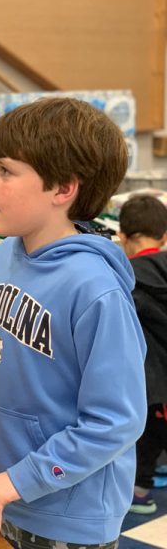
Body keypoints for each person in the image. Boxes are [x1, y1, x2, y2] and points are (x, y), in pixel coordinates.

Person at [0, 97, 147, 548]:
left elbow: (116, 421)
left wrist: (20, 479)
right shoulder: (4, 256)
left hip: (67, 515)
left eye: (5, 171)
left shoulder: (96, 289)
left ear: (63, 188)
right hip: (1, 495)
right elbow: (6, 368)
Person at [118, 194, 167, 515]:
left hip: (147, 379)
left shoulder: (124, 276)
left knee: (143, 438)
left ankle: (139, 491)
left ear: (122, 237)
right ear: (164, 237)